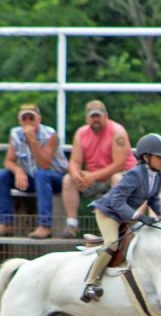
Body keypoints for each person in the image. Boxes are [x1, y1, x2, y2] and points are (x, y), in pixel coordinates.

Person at [80, 133, 161, 303]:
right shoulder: (135, 174)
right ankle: (90, 283)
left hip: (126, 215)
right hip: (109, 212)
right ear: (146, 156)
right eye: (160, 157)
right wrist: (140, 216)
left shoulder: (159, 175)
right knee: (112, 243)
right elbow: (116, 201)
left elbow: (153, 199)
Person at [59, 100, 137, 238]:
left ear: (105, 116)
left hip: (118, 177)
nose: (96, 119)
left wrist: (92, 176)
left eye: (98, 116)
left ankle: (119, 223)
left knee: (117, 178)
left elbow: (119, 164)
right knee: (68, 180)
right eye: (92, 116)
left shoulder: (117, 132)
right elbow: (74, 162)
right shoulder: (81, 133)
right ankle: (72, 224)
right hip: (95, 178)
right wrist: (76, 174)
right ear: (86, 118)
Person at [0, 104, 68, 239]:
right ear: (19, 120)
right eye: (24, 118)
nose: (28, 122)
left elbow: (44, 164)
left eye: (31, 118)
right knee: (1, 175)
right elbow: (8, 161)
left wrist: (33, 141)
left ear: (39, 119)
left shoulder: (50, 134)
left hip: (55, 178)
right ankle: (5, 223)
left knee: (41, 174)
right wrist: (18, 170)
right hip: (32, 177)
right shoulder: (15, 133)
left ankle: (45, 225)